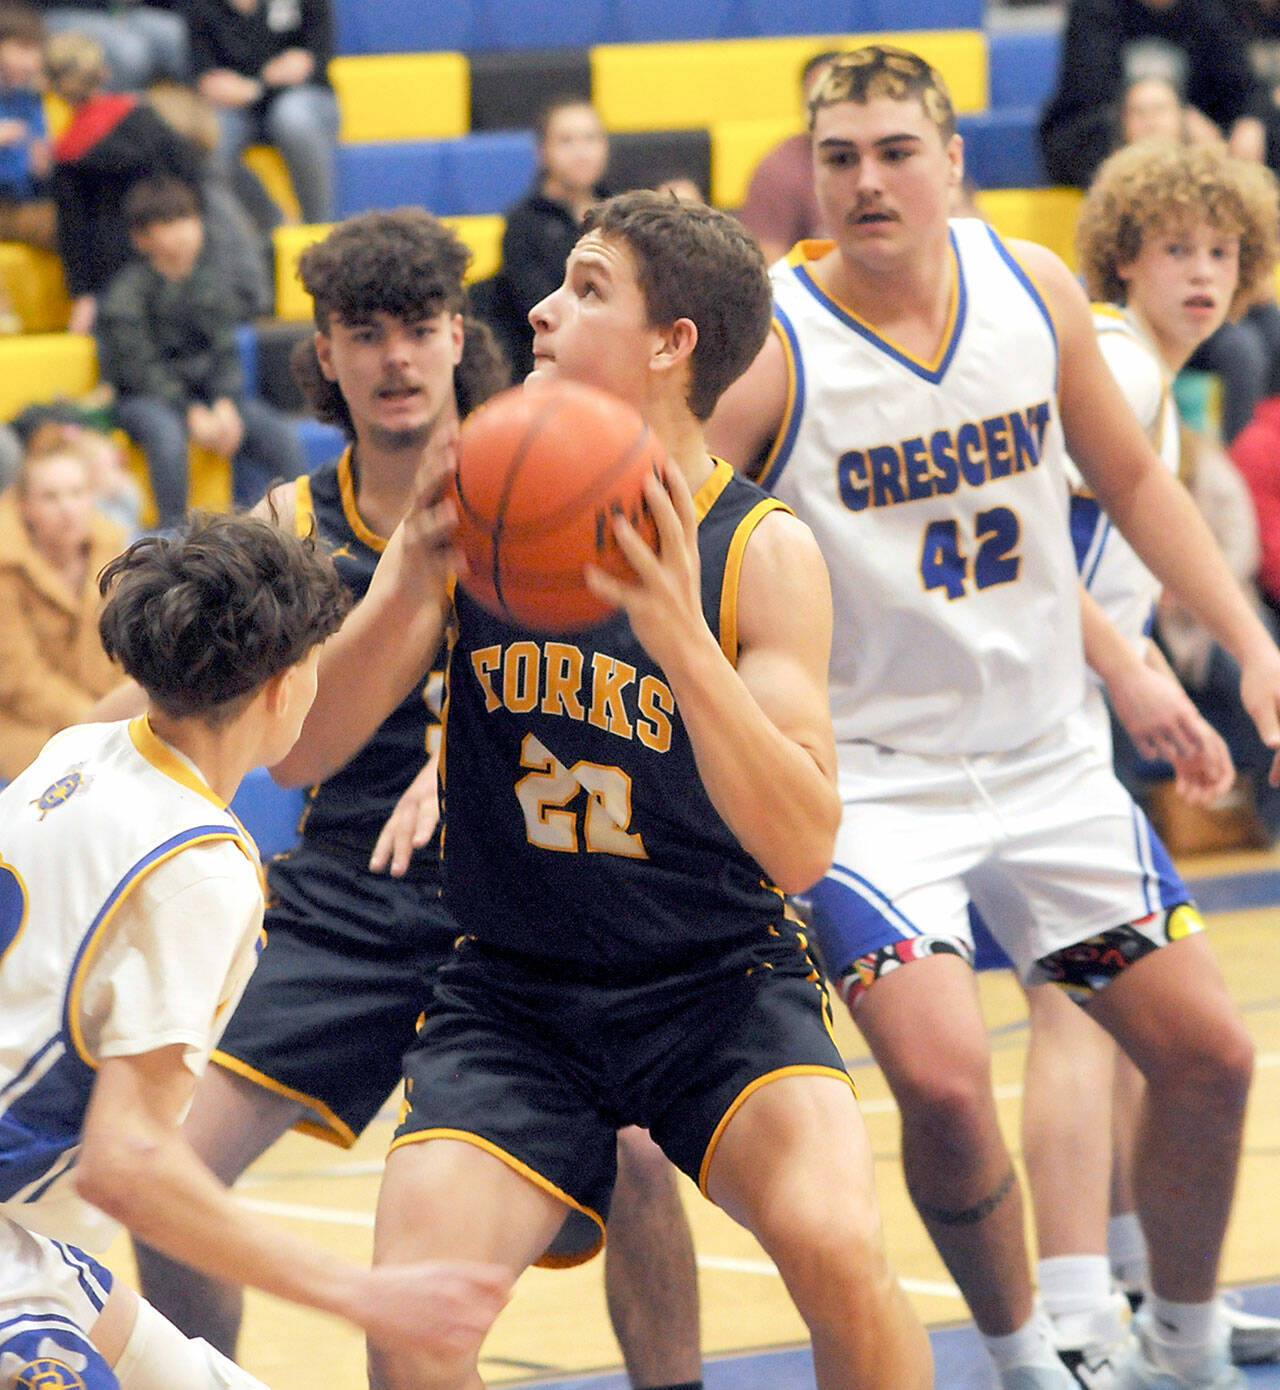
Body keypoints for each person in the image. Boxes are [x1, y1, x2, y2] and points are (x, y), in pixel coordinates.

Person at [280, 189, 933, 1390]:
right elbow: (298, 753)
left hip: (716, 986)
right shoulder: (485, 499)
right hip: (511, 995)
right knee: (412, 1323)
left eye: (584, 287)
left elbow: (800, 849)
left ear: (668, 341)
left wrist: (680, 638)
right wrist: (407, 580)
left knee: (840, 1247)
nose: (536, 307)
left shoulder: (758, 548)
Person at [706, 45, 1280, 1390]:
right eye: (838, 154)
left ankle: (1181, 1350)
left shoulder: (1031, 289)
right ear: (812, 170)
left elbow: (1134, 481)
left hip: (1047, 763)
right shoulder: (775, 338)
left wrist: (1249, 644)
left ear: (954, 161)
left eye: (896, 149)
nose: (866, 178)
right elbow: (679, 538)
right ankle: (1030, 1354)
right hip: (875, 790)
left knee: (1210, 1054)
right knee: (953, 1083)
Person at [102, 206, 705, 1390]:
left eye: (418, 328)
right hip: (341, 900)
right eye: (362, 332)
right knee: (170, 1171)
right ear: (322, 352)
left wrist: (449, 760)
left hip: (525, 881)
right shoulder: (287, 520)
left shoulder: (545, 469)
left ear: (456, 337)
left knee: (636, 1151)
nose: (393, 358)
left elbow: (603, 672)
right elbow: (198, 705)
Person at [0, 510, 513, 1388]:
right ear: (285, 684)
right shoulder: (202, 863)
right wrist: (362, 1293)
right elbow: (128, 1164)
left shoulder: (77, 751)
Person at [1012, 137, 1280, 1379]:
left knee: (1140, 1020)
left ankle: (1126, 1283)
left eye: (1220, 251)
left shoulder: (1159, 390)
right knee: (1076, 1011)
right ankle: (1071, 1316)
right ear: (1121, 254)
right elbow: (1018, 545)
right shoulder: (1112, 363)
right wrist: (1133, 667)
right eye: (1174, 247)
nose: (1201, 272)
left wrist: (1148, 662)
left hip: (1069, 723)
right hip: (1014, 729)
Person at [96, 175, 304, 529]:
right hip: (144, 399)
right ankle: (171, 533)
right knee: (167, 437)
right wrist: (189, 411)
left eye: (186, 219)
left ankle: (297, 525)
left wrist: (225, 402)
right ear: (141, 238)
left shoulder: (212, 282)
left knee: (278, 434)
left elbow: (225, 354)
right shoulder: (126, 293)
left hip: (206, 396)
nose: (180, 232)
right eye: (166, 224)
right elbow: (140, 368)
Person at [44, 30, 203, 335]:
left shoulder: (68, 155)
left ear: (54, 88)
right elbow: (191, 178)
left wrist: (83, 295)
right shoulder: (146, 117)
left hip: (114, 277)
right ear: (104, 73)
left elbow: (74, 231)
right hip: (178, 258)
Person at [1038, 0, 1266, 191]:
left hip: (1199, 138)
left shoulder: (1211, 9)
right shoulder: (1094, 9)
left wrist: (1251, 123)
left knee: (1261, 132)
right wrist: (1148, 119)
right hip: (1111, 133)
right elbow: (1084, 96)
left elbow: (1245, 88)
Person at [0, 433, 125, 780]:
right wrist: (96, 719)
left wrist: (117, 718)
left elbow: (131, 653)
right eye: (50, 497)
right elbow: (18, 680)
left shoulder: (114, 553)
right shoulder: (5, 569)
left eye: (77, 493)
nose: (68, 508)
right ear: (24, 505)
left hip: (109, 718)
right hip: (24, 724)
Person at [483, 97, 611, 378]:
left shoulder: (621, 215)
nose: (581, 152)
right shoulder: (523, 224)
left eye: (591, 138)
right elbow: (538, 308)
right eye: (566, 140)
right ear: (543, 151)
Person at [185, 0, 340, 225]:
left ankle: (318, 227)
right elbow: (203, 75)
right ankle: (269, 226)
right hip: (236, 109)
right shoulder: (199, 7)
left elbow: (316, 56)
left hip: (302, 98)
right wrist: (257, 84)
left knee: (295, 118)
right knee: (209, 139)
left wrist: (254, 86)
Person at [737, 50, 838, 266]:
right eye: (818, 97)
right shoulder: (778, 170)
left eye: (839, 96)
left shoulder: (886, 164)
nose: (830, 106)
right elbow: (768, 271)